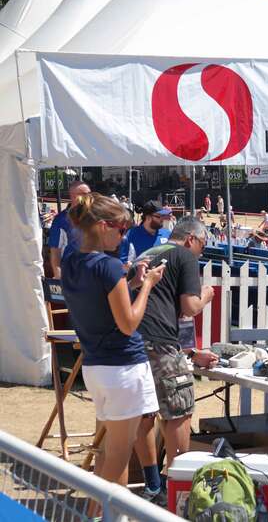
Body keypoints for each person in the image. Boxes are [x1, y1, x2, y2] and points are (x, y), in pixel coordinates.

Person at [59, 193, 165, 500]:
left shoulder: (71, 261)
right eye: (121, 230)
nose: (123, 236)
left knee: (108, 451)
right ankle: (100, 515)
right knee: (118, 455)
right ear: (103, 226)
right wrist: (147, 286)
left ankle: (108, 514)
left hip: (97, 367)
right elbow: (128, 323)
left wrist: (130, 284)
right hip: (123, 367)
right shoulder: (109, 266)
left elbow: (100, 300)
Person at [132, 217, 217, 501]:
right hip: (160, 342)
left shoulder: (149, 253)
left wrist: (190, 353)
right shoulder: (184, 256)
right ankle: (176, 487)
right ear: (191, 238)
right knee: (179, 411)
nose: (201, 253)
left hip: (134, 342)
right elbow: (189, 307)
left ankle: (152, 484)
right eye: (202, 245)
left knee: (145, 414)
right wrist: (205, 296)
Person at [48, 180, 91, 278]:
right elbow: (55, 251)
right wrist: (58, 275)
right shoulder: (61, 220)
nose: (88, 197)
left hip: (94, 271)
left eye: (89, 194)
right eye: (84, 194)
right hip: (72, 272)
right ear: (73, 196)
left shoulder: (95, 216)